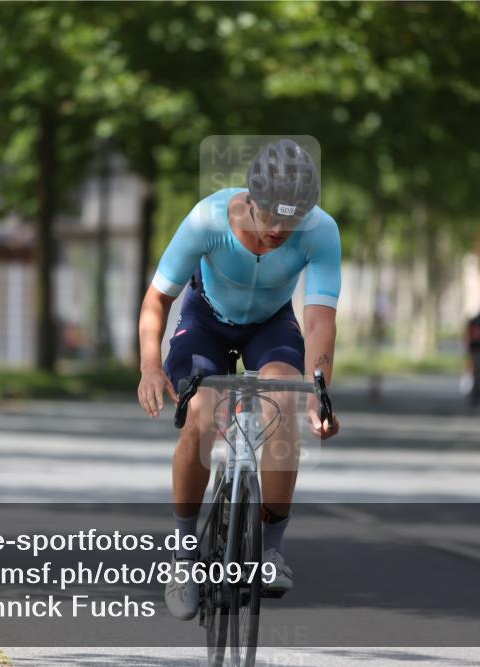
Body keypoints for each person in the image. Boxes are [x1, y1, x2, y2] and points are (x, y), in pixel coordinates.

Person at [136, 138, 341, 620]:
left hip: (271, 324)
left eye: (290, 220)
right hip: (205, 322)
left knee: (283, 400)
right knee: (202, 416)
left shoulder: (322, 230)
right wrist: (149, 364)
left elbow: (319, 319)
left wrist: (319, 390)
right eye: (270, 215)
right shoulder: (207, 220)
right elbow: (156, 301)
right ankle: (185, 557)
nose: (277, 229)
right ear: (250, 198)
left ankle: (271, 550)